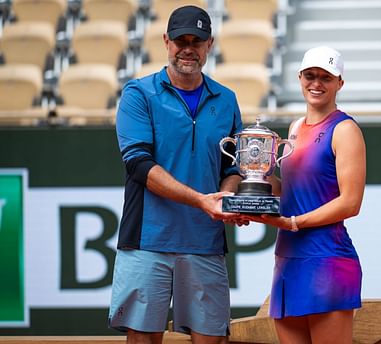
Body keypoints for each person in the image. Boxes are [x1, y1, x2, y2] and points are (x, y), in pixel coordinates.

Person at [108, 5, 244, 344]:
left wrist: (227, 193)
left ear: (209, 44)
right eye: (180, 40)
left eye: (196, 41)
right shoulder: (138, 94)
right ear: (166, 41)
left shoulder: (226, 100)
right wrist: (202, 200)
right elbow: (138, 165)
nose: (188, 49)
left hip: (205, 242)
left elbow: (234, 167)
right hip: (146, 242)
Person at [243, 46, 366, 344]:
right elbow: (290, 192)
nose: (317, 83)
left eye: (326, 77)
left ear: (340, 83)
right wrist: (253, 183)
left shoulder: (345, 130)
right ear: (300, 78)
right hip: (288, 258)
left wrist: (295, 222)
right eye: (310, 75)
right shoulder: (295, 128)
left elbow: (351, 203)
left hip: (326, 259)